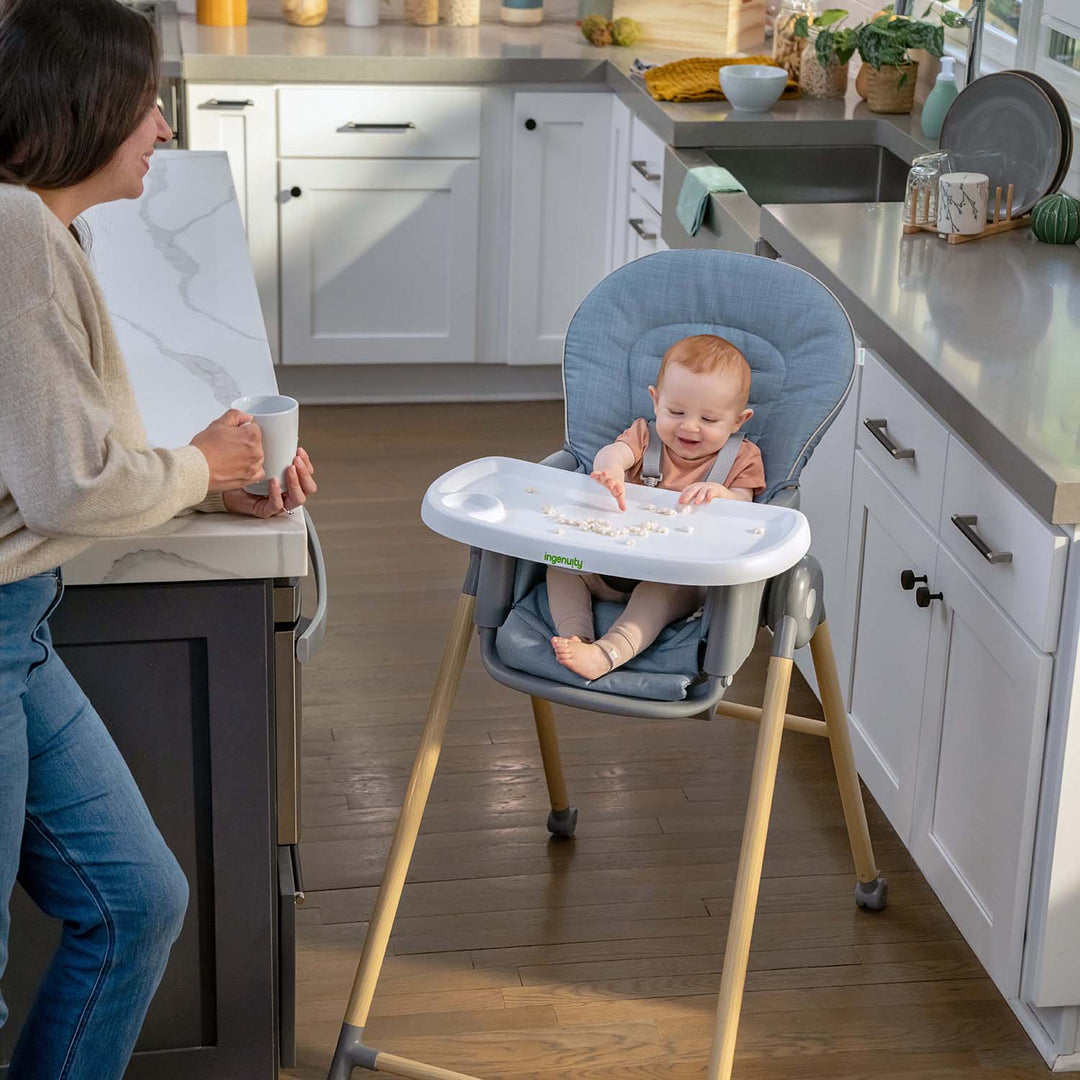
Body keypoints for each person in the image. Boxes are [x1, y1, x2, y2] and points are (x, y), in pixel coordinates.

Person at [0, 1, 316, 1076]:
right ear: (85, 109)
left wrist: (203, 487)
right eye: (146, 105)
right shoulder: (12, 232)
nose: (163, 130)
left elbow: (60, 463)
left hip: (19, 633)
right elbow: (68, 485)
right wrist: (202, 468)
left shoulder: (41, 229)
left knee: (137, 902)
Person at [547, 334, 764, 680]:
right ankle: (577, 634)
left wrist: (723, 495)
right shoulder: (644, 437)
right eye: (676, 411)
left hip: (677, 579)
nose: (689, 426)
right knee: (561, 564)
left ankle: (607, 652)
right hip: (609, 561)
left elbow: (747, 511)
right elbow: (613, 453)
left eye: (709, 420)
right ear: (655, 400)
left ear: (738, 420)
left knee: (656, 594)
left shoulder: (742, 458)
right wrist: (612, 469)